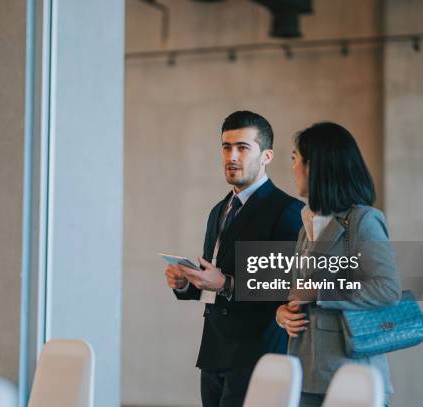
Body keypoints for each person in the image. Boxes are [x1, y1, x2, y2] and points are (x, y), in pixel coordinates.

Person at [164, 111, 303, 407]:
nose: (232, 156)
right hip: (213, 354)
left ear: (266, 156)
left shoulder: (286, 210)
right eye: (226, 147)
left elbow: (283, 285)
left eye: (243, 147)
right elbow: (212, 279)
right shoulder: (219, 210)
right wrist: (185, 283)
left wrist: (226, 283)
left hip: (256, 356)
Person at [276, 122, 402, 407]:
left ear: (314, 166)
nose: (292, 167)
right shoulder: (306, 222)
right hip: (305, 374)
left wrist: (320, 294)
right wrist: (283, 313)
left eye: (295, 158)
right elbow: (299, 291)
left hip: (353, 378)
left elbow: (387, 289)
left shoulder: (364, 220)